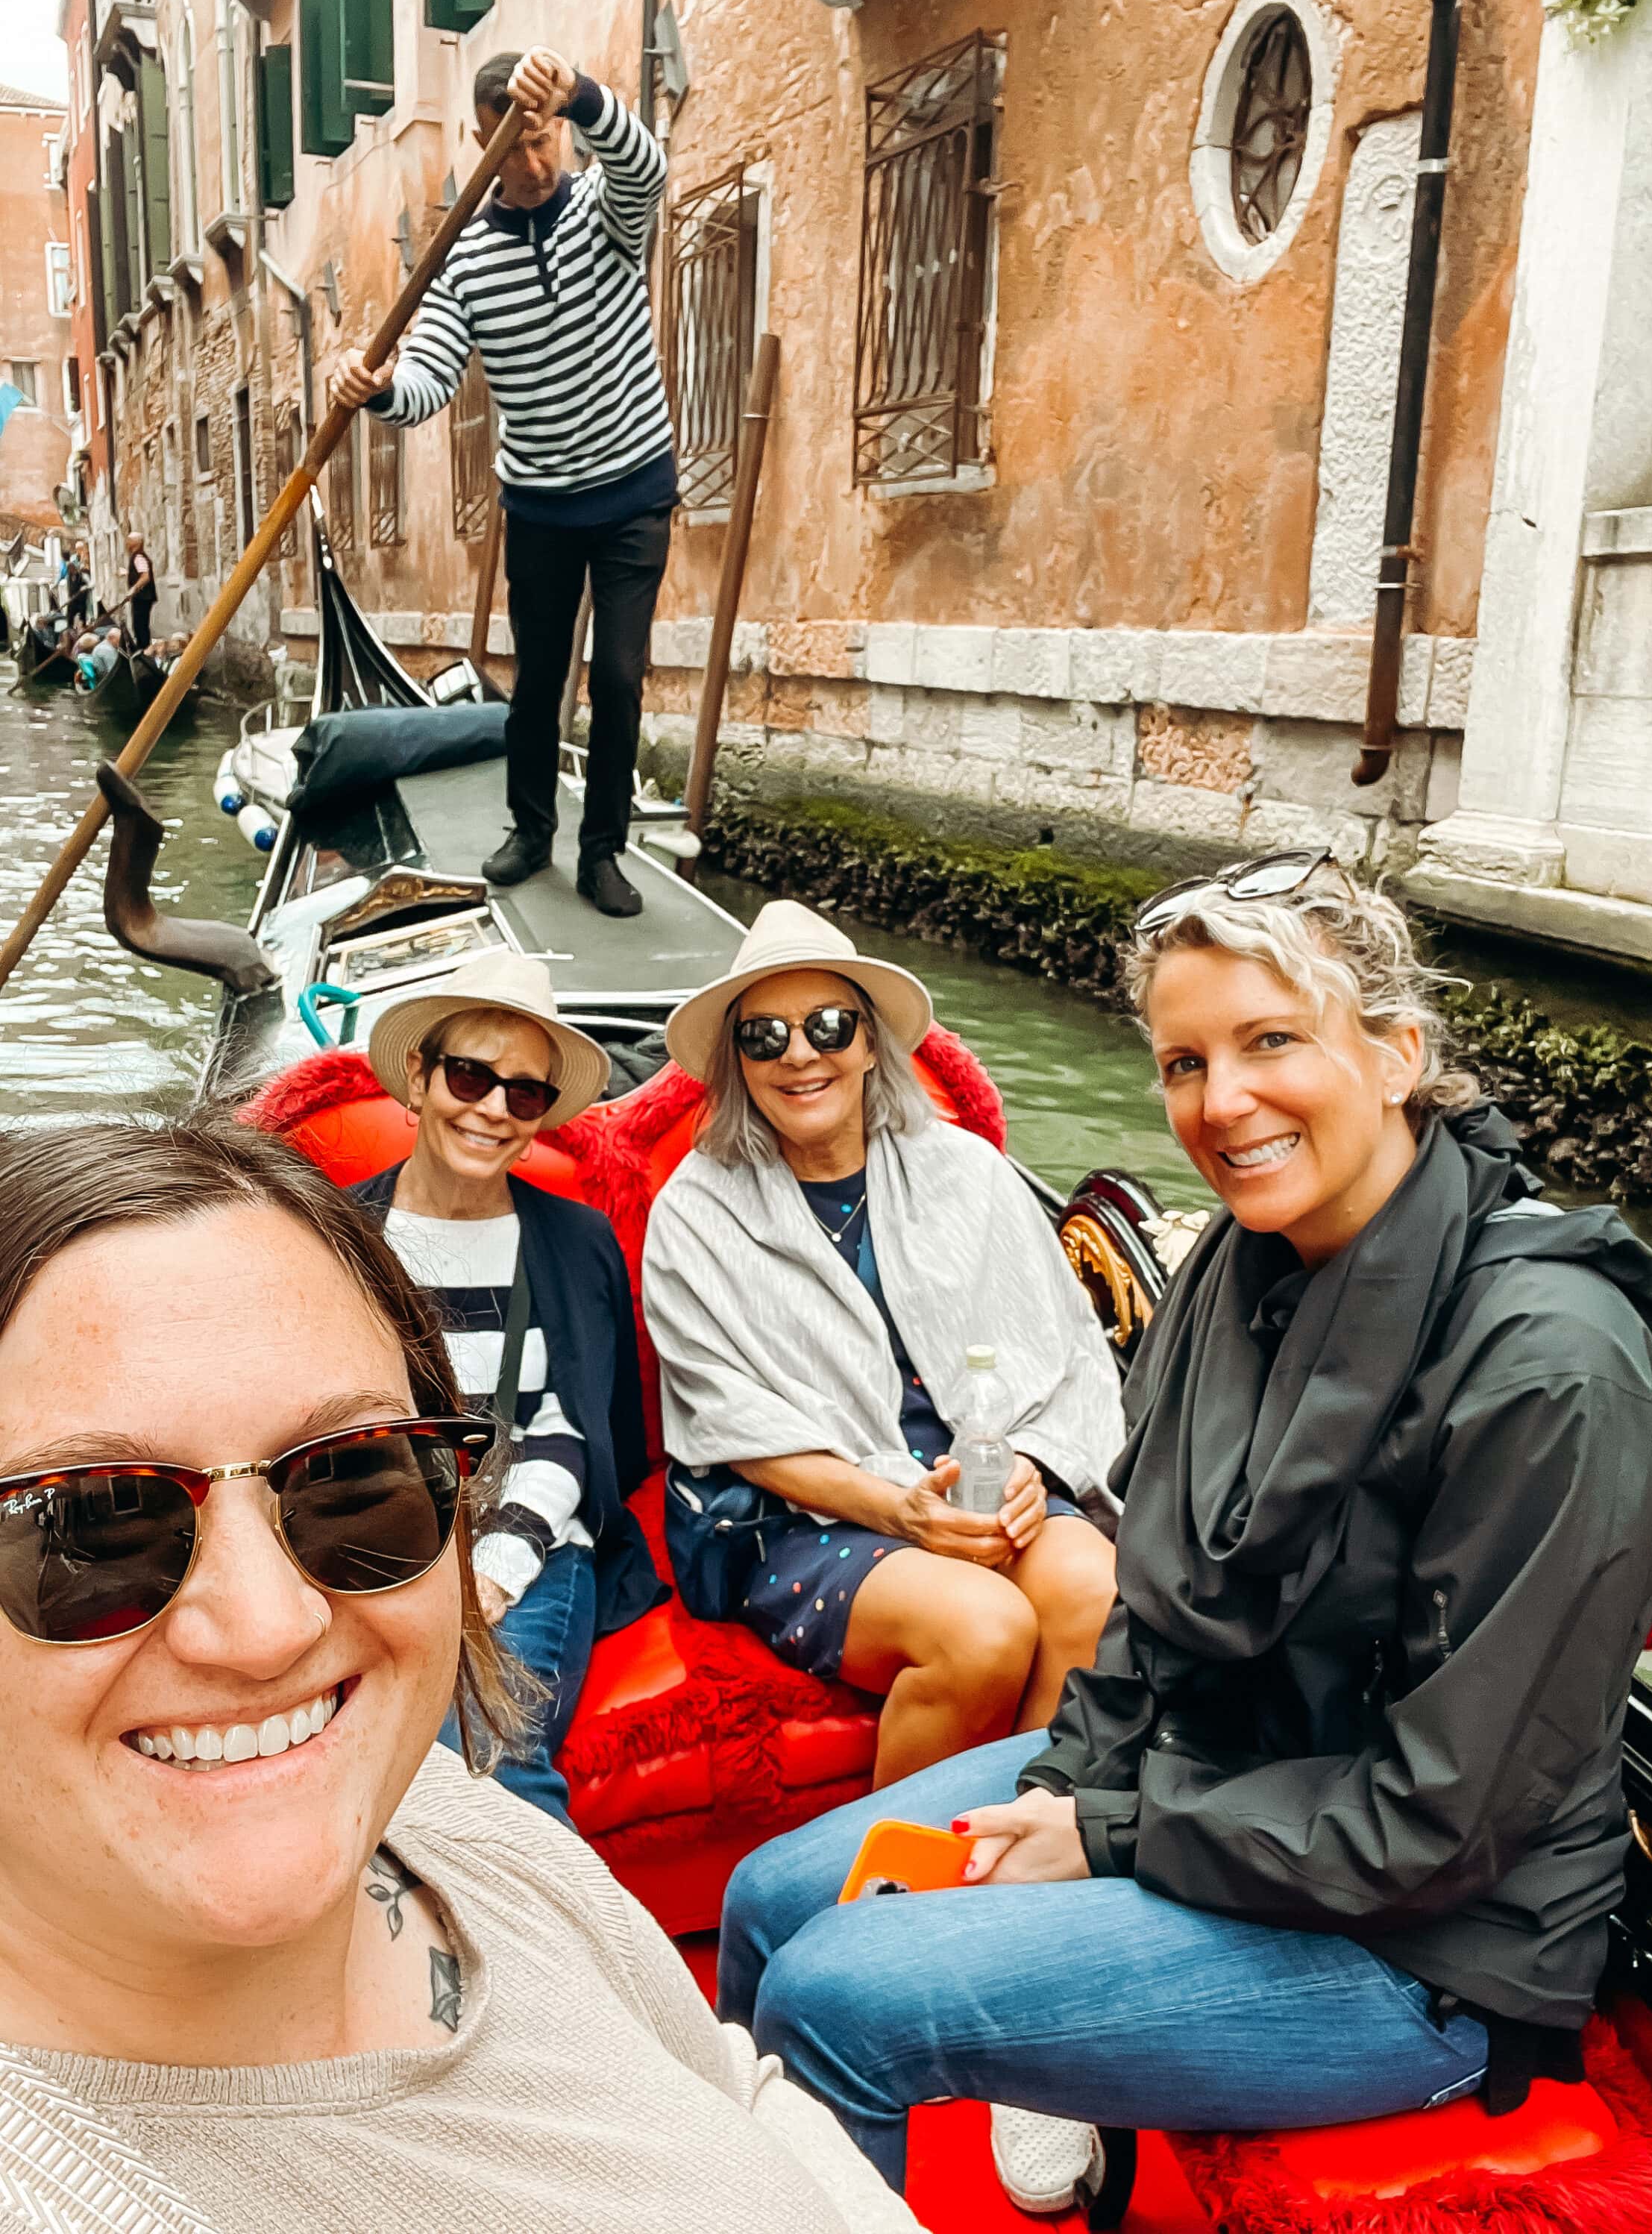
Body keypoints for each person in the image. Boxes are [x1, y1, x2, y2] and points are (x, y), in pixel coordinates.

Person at [715, 856, 1652, 2203]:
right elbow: (1152, 1604)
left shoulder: (1553, 1370)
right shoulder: (1239, 1262)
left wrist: (1107, 1837)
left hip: (1428, 1948)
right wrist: (1070, 1785)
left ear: (1398, 1055)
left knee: (835, 1996)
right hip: (1210, 1777)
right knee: (767, 1902)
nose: (1221, 1106)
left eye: (1271, 1042)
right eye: (1183, 1063)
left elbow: (1443, 1824)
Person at [0, 1111, 919, 2233]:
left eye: (354, 1482)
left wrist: (513, 1547)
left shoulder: (446, 1818)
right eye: (93, 1527)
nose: (268, 1629)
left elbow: (730, 2088)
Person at [642, 900, 1125, 1791]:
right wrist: (902, 1511)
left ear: (869, 1042)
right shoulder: (695, 1212)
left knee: (1098, 1592)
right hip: (794, 1514)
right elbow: (738, 1428)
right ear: (736, 1062)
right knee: (982, 1630)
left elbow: (1069, 1355)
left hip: (976, 1480)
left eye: (828, 1025)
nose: (799, 1054)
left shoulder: (969, 1171)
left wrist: (1029, 1471)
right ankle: (890, 1906)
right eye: (764, 1036)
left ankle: (1002, 1870)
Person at [328, 46, 674, 922]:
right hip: (543, 506)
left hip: (634, 485)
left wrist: (582, 96)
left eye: (540, 140)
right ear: (479, 146)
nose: (528, 164)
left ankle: (603, 852)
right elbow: (429, 385)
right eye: (507, 148)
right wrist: (374, 392)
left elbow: (648, 168)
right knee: (538, 680)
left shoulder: (605, 211)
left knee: (623, 678)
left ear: (552, 131)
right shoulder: (464, 260)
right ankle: (531, 831)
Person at [353, 948, 665, 1829]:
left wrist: (495, 1567)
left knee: (492, 1759)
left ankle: (575, 1963)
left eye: (522, 1093)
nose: (492, 1109)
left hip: (530, 1547)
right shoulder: (337, 1232)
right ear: (420, 1076)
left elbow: (576, 1433)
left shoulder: (576, 1241)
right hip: (378, 1552)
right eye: (470, 1075)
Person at [125, 530, 157, 650]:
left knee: (140, 626)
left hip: (143, 597)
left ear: (136, 543)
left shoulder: (138, 557)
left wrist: (133, 589)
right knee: (140, 626)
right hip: (143, 597)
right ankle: (143, 650)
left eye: (129, 541)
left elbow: (145, 577)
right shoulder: (137, 556)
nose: (127, 544)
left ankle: (144, 651)